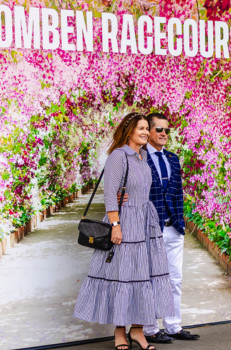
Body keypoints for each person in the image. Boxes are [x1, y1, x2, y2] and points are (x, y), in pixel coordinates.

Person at [73, 113, 175, 350]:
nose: (144, 131)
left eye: (145, 128)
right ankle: (119, 331)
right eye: (140, 128)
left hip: (145, 222)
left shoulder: (143, 156)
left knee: (145, 275)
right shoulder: (119, 156)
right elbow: (110, 193)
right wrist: (116, 225)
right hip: (126, 221)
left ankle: (138, 331)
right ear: (128, 131)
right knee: (123, 275)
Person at [121, 112, 199, 343]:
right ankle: (149, 329)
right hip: (148, 229)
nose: (164, 133)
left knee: (174, 279)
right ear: (148, 131)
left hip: (173, 228)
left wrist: (180, 223)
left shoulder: (173, 159)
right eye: (159, 130)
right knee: (149, 280)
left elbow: (177, 194)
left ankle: (173, 326)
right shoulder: (136, 158)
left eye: (167, 130)